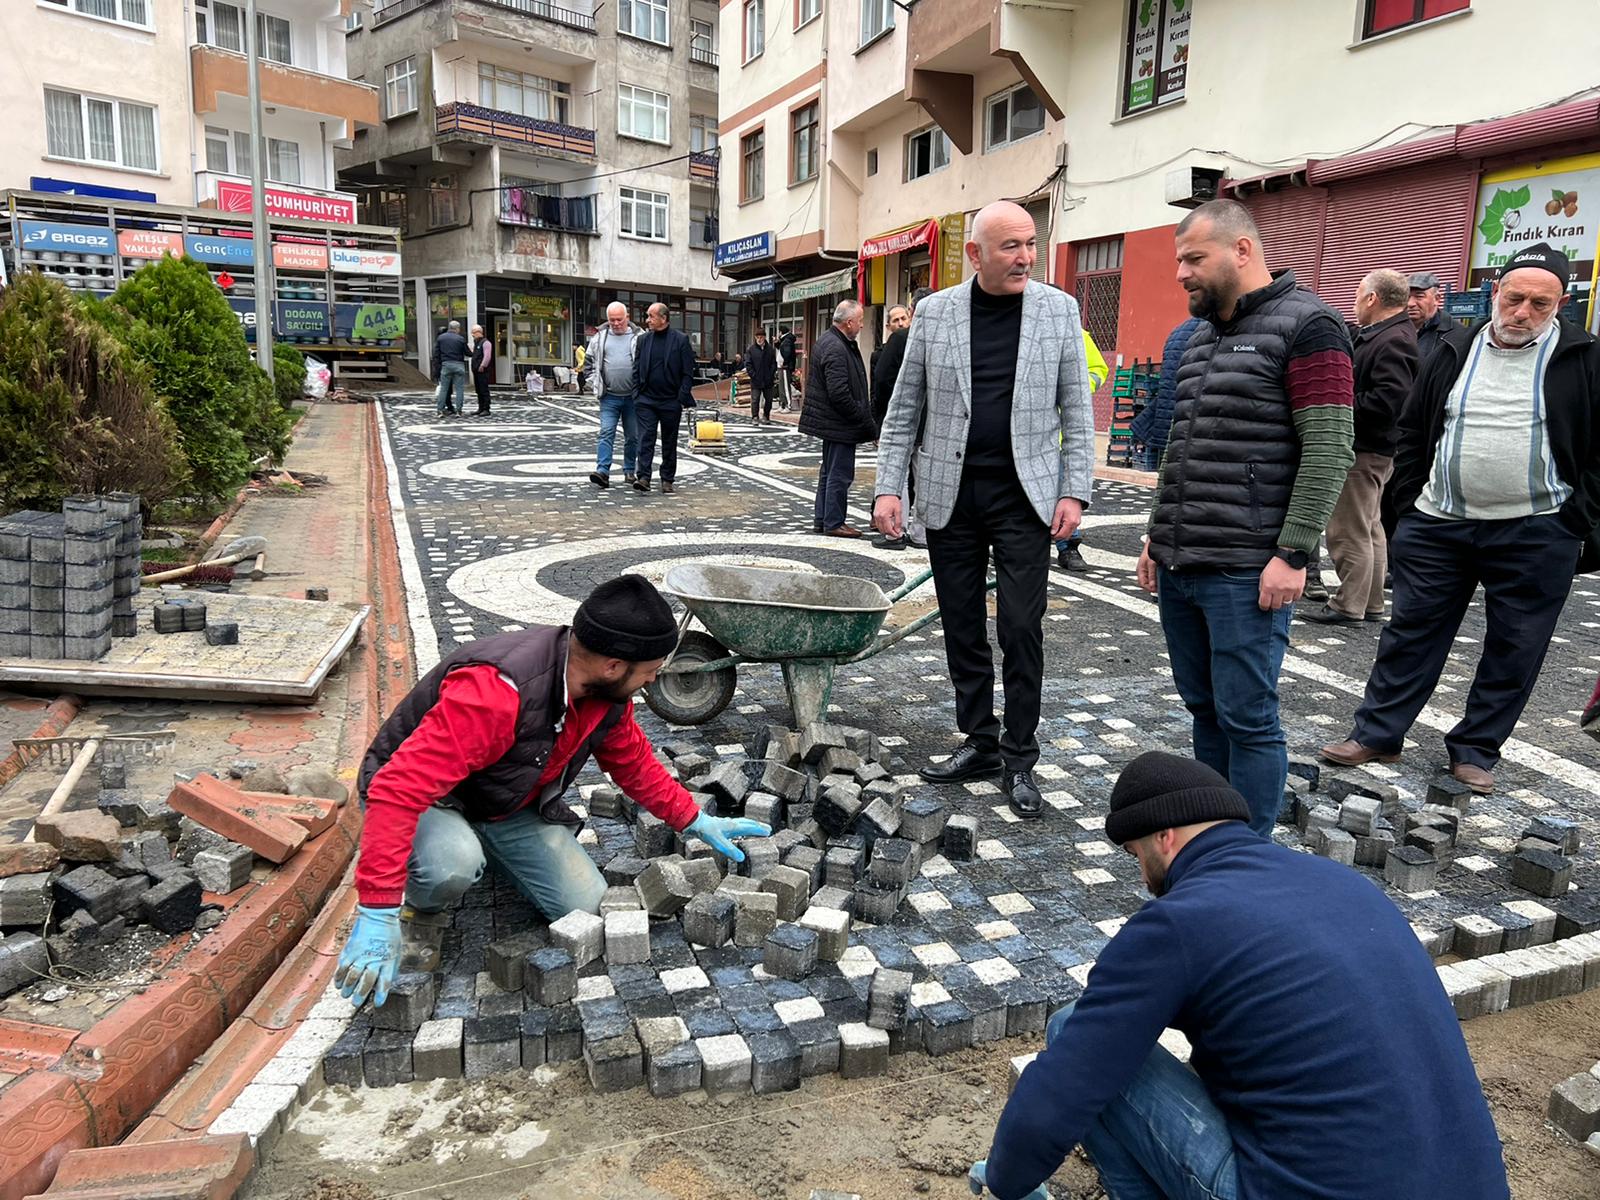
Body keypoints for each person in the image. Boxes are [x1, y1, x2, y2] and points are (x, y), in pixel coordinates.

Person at [968, 751, 1510, 1200]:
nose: (1143, 875)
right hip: (1474, 1186)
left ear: (1165, 839)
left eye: (1136, 854)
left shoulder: (1179, 921)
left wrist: (1004, 1183)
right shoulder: (1342, 884)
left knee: (1073, 1031)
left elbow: (1066, 1086)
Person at [334, 576, 772, 1006]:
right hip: (436, 799)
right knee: (451, 866)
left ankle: (488, 850)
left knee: (587, 908)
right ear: (613, 666)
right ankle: (422, 905)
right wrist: (378, 908)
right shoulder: (495, 693)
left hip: (507, 804)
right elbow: (398, 791)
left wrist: (694, 819)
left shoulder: (606, 696)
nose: (654, 681)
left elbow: (634, 764)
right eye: (651, 672)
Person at [1322, 244, 1600, 795]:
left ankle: (1475, 750)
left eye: (1540, 304)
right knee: (1410, 634)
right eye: (1515, 297)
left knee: (1514, 647)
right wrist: (1410, 505)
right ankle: (1378, 732)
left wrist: (1576, 519)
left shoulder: (1585, 357)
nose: (1523, 312)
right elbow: (1413, 425)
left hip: (1537, 529)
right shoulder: (1455, 346)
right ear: (1494, 290)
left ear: (1560, 303)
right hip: (1440, 522)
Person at [1136, 199, 1355, 835]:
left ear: (1242, 251)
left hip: (1246, 568)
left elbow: (1329, 447)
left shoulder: (1310, 326)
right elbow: (1182, 445)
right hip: (1183, 560)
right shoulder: (1202, 337)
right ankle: (1212, 833)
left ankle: (1247, 854)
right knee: (1204, 708)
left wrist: (1294, 553)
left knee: (1247, 715)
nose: (1181, 273)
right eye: (1179, 260)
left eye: (1193, 259)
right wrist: (1156, 534)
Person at [874, 200, 1095, 819]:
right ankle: (980, 741)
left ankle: (1021, 757)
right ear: (975, 254)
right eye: (1010, 246)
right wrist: (888, 486)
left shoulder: (1059, 310)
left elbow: (1077, 412)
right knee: (961, 626)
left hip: (1026, 499)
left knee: (1021, 627)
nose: (1025, 256)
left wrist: (1074, 491)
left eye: (1030, 244)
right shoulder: (936, 313)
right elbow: (903, 411)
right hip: (952, 497)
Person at [1300, 270, 1418, 626]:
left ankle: (1348, 604)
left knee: (1348, 528)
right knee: (1369, 526)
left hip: (1364, 448)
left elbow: (1388, 400)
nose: (1354, 303)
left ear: (1372, 299)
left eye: (1357, 295)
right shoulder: (1388, 334)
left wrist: (1340, 402)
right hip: (1374, 448)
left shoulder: (1393, 339)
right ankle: (1370, 603)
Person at [800, 300, 875, 538]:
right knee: (839, 474)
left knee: (829, 472)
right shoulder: (835, 346)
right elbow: (839, 393)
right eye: (860, 321)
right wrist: (863, 417)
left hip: (832, 423)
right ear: (849, 322)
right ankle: (834, 521)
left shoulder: (832, 340)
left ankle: (823, 519)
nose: (862, 326)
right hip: (839, 423)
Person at [870, 289, 931, 551]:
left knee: (897, 476)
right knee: (926, 476)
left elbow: (882, 379)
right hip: (932, 423)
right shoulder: (944, 339)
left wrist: (881, 417)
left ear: (913, 311)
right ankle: (923, 532)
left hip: (905, 420)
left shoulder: (901, 339)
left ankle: (897, 531)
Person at [1053, 329, 1108, 571]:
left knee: (1066, 492)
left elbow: (1098, 370)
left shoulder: (1078, 335)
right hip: (1024, 438)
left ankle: (1069, 548)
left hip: (1063, 436)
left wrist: (1071, 386)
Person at [632, 302, 697, 495]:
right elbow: (636, 368)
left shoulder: (680, 340)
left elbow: (688, 372)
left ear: (664, 318)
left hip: (671, 400)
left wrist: (681, 397)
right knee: (645, 438)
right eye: (648, 316)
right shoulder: (643, 340)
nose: (647, 320)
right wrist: (637, 394)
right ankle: (643, 477)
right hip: (646, 400)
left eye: (651, 316)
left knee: (669, 441)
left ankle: (667, 479)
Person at [1129, 315, 1204, 472]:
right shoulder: (1208, 333)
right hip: (1193, 427)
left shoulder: (1178, 332)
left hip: (1171, 424)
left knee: (1169, 483)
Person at [587, 303, 639, 489]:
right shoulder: (599, 337)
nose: (616, 323)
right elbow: (588, 362)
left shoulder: (638, 337)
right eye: (612, 320)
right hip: (608, 396)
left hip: (633, 398)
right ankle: (603, 471)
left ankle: (630, 470)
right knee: (606, 432)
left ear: (627, 317)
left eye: (619, 319)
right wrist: (595, 383)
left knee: (632, 436)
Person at [1407, 270, 1460, 364]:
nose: (1410, 303)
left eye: (1419, 296)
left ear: (1437, 299)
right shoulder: (1394, 330)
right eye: (1407, 297)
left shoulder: (1455, 334)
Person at [432, 320, 470, 417]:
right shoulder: (461, 339)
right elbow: (467, 353)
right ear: (457, 329)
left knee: (444, 389)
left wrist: (437, 367)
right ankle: (458, 411)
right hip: (459, 365)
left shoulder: (441, 338)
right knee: (459, 389)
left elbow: (436, 354)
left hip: (446, 365)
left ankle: (440, 410)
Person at [744, 328, 778, 424]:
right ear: (755, 338)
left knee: (769, 399)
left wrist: (771, 374)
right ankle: (755, 416)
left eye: (761, 337)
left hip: (768, 379)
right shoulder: (751, 349)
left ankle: (766, 416)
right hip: (756, 379)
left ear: (764, 337)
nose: (759, 339)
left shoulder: (770, 349)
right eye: (757, 337)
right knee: (755, 399)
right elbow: (748, 364)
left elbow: (773, 364)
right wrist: (753, 375)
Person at [469, 324, 494, 415]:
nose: (472, 334)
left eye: (473, 332)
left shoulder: (485, 342)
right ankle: (480, 407)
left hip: (482, 370)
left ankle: (486, 408)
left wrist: (482, 365)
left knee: (484, 389)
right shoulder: (476, 343)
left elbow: (487, 356)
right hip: (476, 370)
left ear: (479, 332)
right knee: (478, 390)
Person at [776, 326, 798, 411]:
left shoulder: (787, 341)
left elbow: (787, 353)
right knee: (781, 386)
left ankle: (788, 405)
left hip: (785, 367)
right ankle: (782, 404)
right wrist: (776, 343)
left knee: (785, 386)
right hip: (781, 366)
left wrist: (785, 363)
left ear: (781, 332)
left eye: (779, 332)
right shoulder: (784, 340)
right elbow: (781, 349)